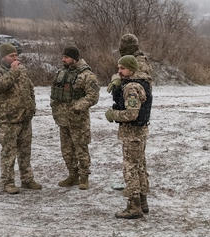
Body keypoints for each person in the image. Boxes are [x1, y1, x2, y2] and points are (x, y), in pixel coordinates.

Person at [0, 43, 41, 194]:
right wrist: (13, 71)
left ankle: (27, 179)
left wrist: (32, 106)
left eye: (16, 55)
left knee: (25, 151)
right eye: (12, 56)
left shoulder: (20, 68)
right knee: (8, 152)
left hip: (24, 117)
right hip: (8, 119)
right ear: (3, 56)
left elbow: (29, 87)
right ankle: (8, 181)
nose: (15, 58)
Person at [105, 55, 152, 219]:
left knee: (131, 168)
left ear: (131, 69)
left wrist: (113, 114)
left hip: (132, 134)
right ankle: (142, 202)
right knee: (140, 166)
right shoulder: (139, 83)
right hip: (139, 133)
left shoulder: (131, 88)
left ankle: (134, 206)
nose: (119, 71)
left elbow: (132, 114)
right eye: (118, 68)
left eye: (122, 68)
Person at [50, 46, 99, 190]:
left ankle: (84, 177)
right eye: (63, 56)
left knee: (81, 149)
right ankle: (72, 175)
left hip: (78, 120)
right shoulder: (62, 73)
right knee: (66, 150)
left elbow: (93, 96)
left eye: (66, 57)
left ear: (74, 58)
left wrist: (78, 106)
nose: (62, 59)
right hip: (63, 119)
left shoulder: (87, 75)